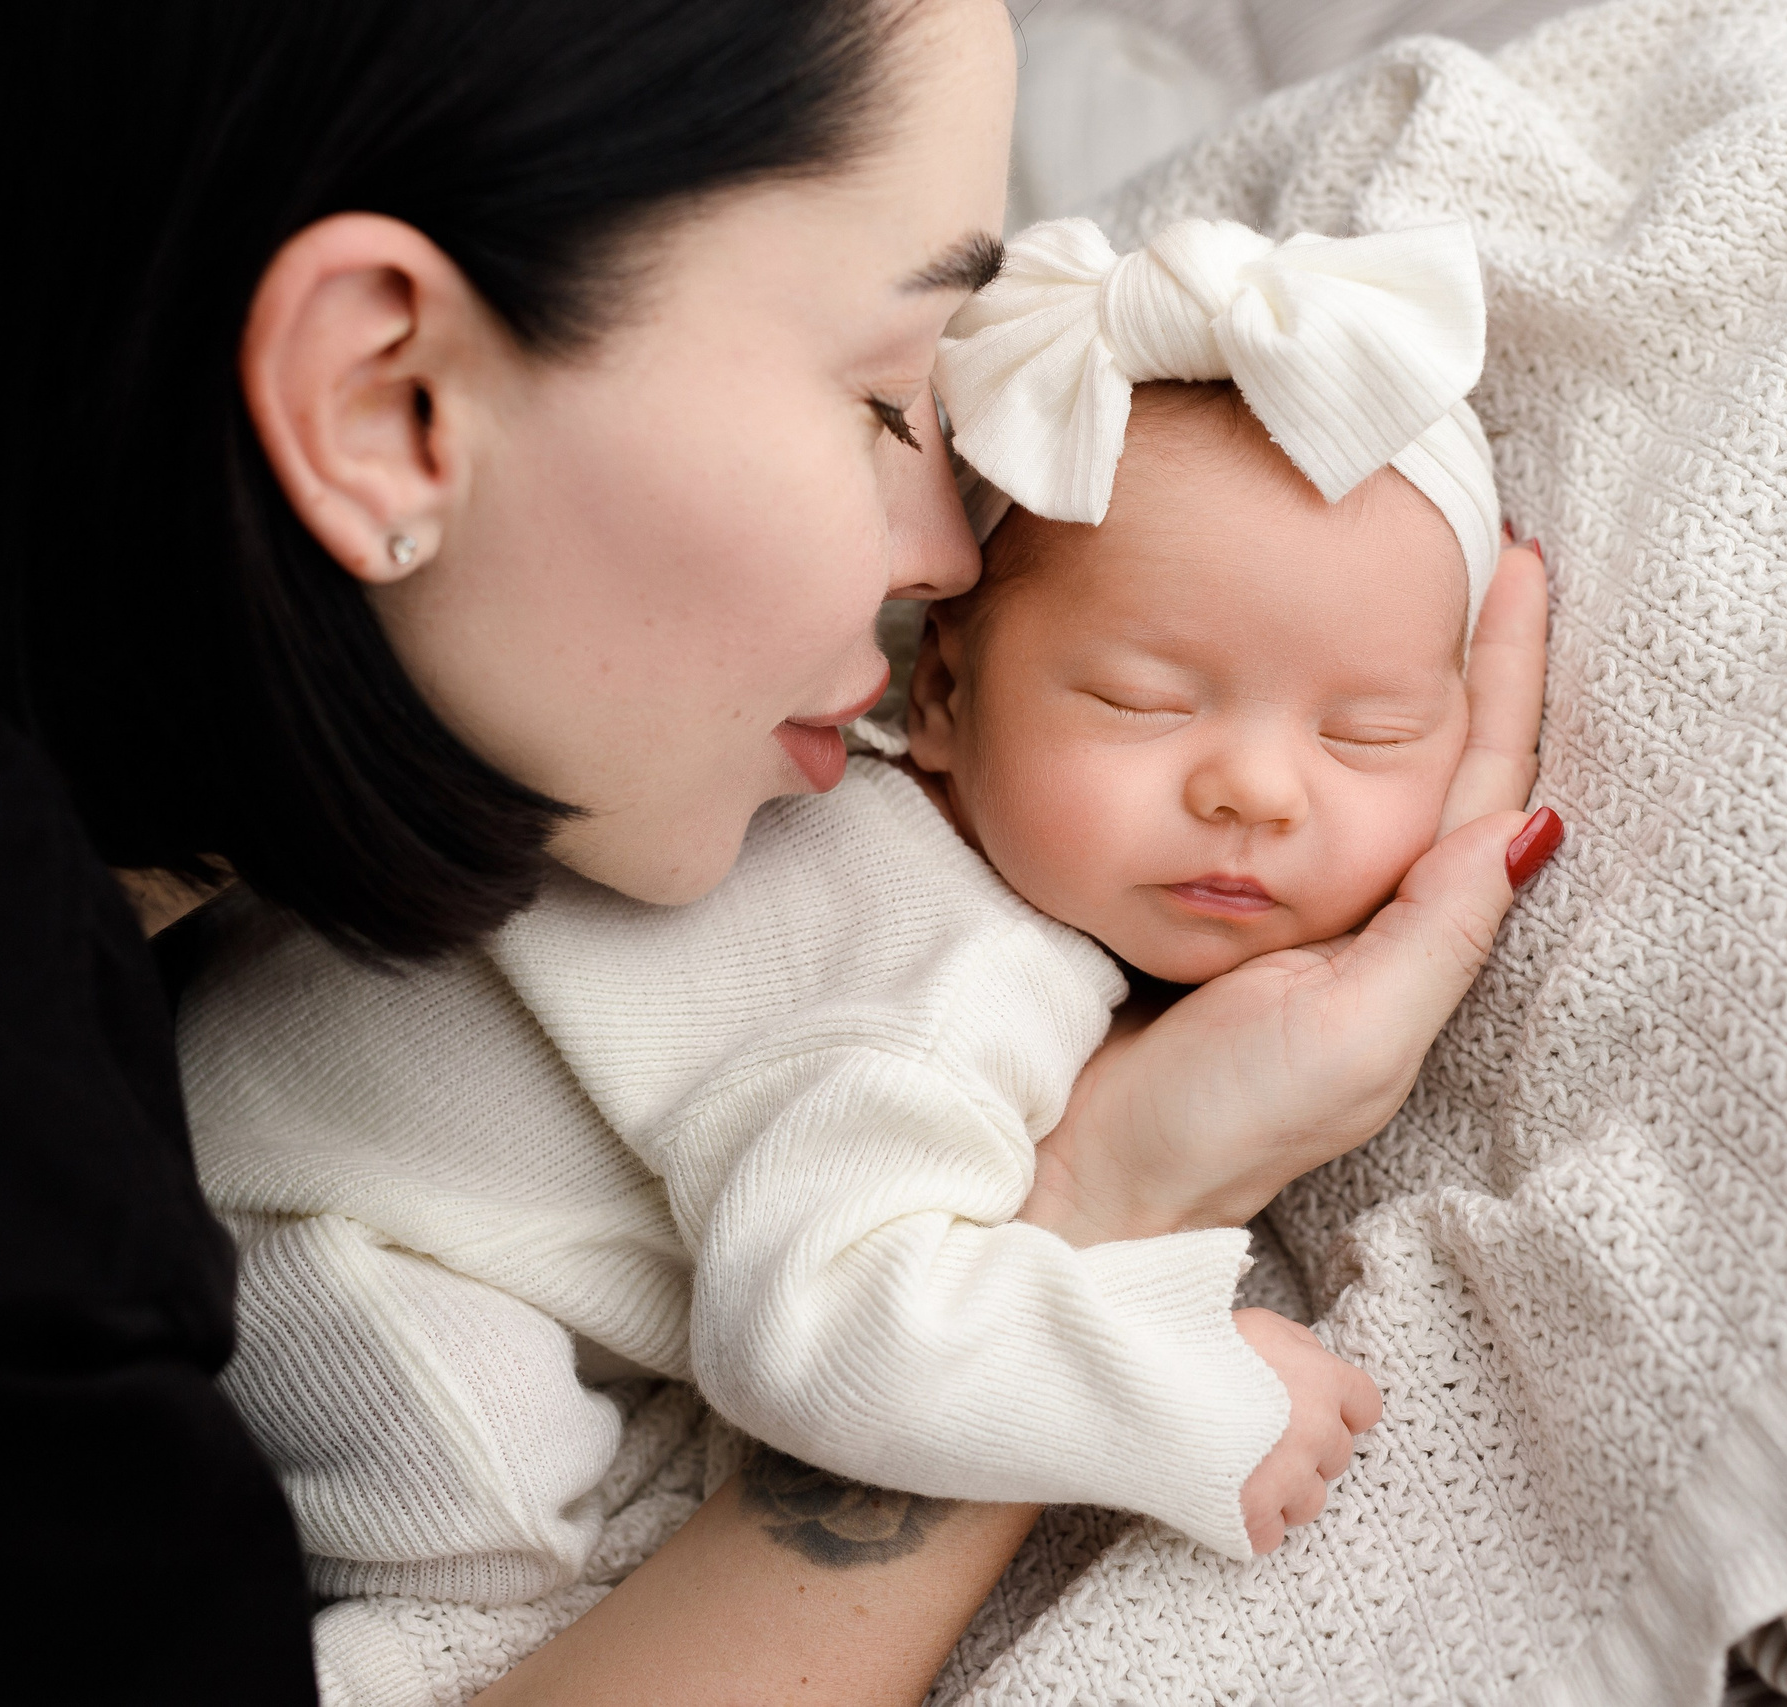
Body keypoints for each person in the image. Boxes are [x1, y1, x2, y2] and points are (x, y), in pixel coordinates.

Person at [0, 2, 1548, 1699]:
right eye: (882, 401)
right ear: (388, 398)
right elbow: (833, 1317)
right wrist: (1120, 1221)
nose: (954, 546)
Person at [171, 213, 1561, 1684]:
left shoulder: (883, 831)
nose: (1256, 791)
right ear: (942, 693)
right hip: (317, 1231)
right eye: (1149, 703)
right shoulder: (943, 981)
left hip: (270, 1065)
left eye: (1368, 734)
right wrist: (1179, 1393)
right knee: (493, 1545)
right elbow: (820, 1337)